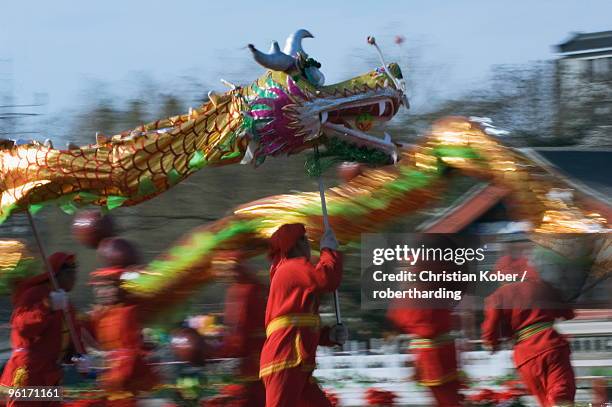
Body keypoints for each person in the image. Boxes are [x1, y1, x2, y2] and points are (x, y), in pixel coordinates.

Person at [260, 223, 347, 407]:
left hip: (295, 361)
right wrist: (328, 251)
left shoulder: (293, 271)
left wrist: (328, 336)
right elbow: (327, 279)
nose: (309, 245)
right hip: (285, 359)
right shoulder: (292, 267)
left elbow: (302, 323)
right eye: (306, 240)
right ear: (296, 245)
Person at [481, 240, 576, 407]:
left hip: (525, 356)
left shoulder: (497, 296)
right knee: (561, 394)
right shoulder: (541, 286)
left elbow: (490, 329)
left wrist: (492, 343)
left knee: (545, 401)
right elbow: (567, 312)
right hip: (550, 345)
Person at [0, 252, 87, 407]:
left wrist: (78, 358)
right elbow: (23, 327)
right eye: (69, 273)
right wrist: (47, 306)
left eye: (75, 272)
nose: (74, 278)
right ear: (55, 274)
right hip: (29, 372)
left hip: (51, 375)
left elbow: (70, 339)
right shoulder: (34, 294)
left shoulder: (67, 303)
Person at [387, 236, 465, 407]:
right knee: (449, 397)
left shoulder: (411, 295)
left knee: (445, 398)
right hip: (446, 348)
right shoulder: (438, 288)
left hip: (431, 353)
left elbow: (398, 320)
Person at [84, 237, 160, 406]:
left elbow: (129, 352)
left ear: (120, 288)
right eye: (98, 288)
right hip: (109, 376)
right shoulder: (99, 314)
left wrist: (114, 377)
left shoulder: (128, 311)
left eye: (108, 287)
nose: (102, 292)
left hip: (125, 378)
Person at [210, 251, 267, 407]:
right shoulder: (256, 285)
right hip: (263, 354)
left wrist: (222, 351)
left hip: (250, 357)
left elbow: (239, 329)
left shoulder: (240, 290)